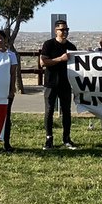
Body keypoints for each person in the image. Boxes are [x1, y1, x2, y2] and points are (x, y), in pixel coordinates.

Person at [38, 19, 77, 149]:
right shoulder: (48, 44)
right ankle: (49, 138)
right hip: (51, 83)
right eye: (62, 30)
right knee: (49, 111)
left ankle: (67, 138)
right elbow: (43, 62)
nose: (64, 32)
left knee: (66, 111)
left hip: (66, 84)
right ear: (56, 31)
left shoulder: (72, 47)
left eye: (66, 29)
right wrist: (60, 59)